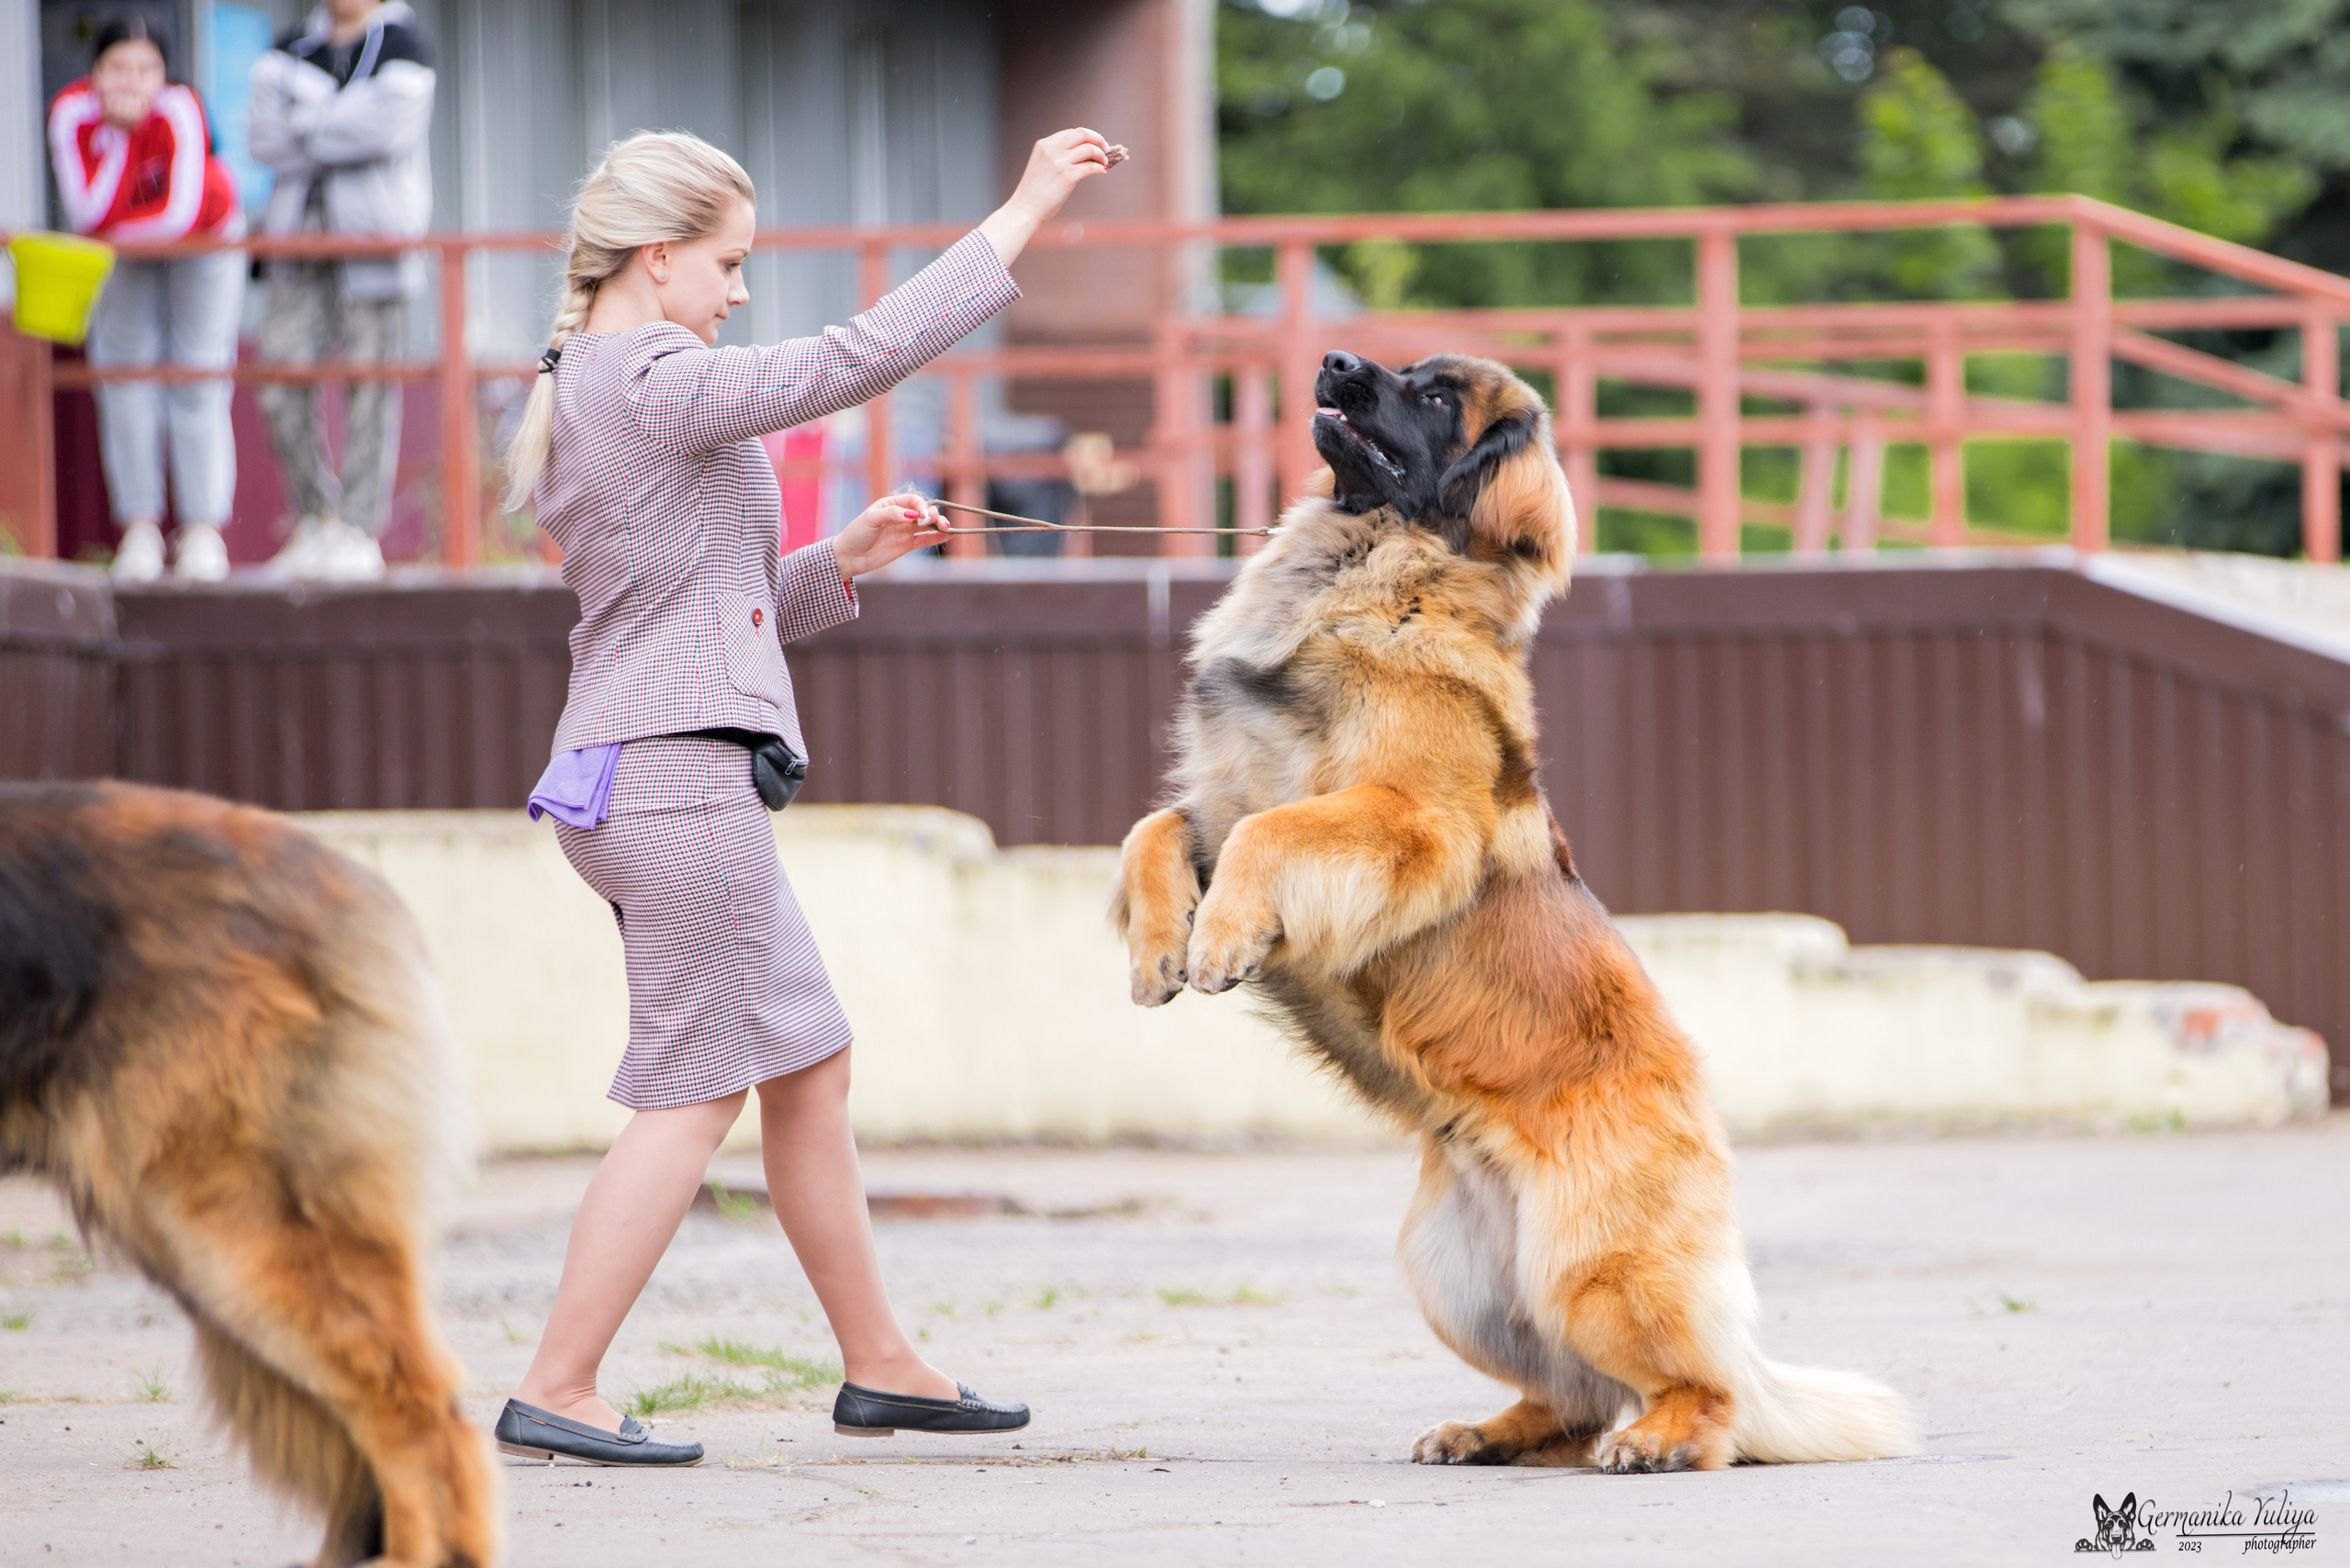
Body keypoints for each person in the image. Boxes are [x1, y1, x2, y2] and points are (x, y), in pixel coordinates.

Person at [494, 126, 1117, 1467]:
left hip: (645, 762)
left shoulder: (600, 385)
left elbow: (699, 611)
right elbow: (856, 359)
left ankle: (882, 1364)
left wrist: (847, 557)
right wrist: (1022, 208)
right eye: (727, 264)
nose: (736, 292)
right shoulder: (651, 373)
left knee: (808, 1066)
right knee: (692, 1092)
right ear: (656, 260)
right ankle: (559, 1383)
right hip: (676, 779)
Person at [46, 16, 244, 584]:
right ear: (95, 75)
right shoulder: (72, 114)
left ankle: (203, 531)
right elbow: (85, 210)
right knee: (124, 376)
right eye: (118, 68)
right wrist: (119, 137)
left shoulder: (181, 108)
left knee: (197, 376)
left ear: (165, 74)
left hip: (206, 240)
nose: (132, 81)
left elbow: (179, 216)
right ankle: (139, 527)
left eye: (145, 69)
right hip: (123, 249)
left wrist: (107, 235)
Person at [246, 0, 434, 581]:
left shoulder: (408, 43)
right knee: (280, 375)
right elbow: (262, 139)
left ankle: (357, 530)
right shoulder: (285, 51)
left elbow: (388, 130)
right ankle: (316, 520)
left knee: (371, 380)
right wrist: (346, 122)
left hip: (375, 236)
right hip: (295, 238)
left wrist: (306, 121)